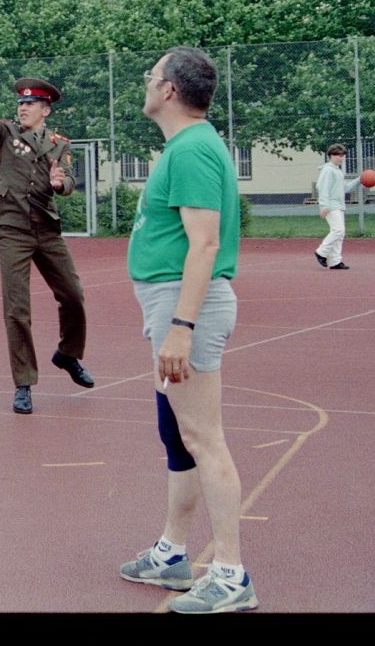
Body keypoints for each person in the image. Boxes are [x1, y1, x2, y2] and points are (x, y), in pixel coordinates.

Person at [119, 47, 259, 614]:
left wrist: (180, 326)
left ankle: (230, 574)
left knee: (203, 437)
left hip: (186, 307)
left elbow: (204, 243)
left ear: (171, 90)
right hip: (170, 303)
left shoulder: (195, 148)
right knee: (177, 436)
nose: (146, 86)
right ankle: (172, 554)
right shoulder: (187, 145)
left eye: (152, 77)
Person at [0, 44, 92, 414]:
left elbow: (68, 183)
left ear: (46, 109)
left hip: (46, 230)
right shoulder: (5, 135)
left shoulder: (58, 144)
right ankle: (24, 384)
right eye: (21, 103)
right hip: (14, 230)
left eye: (31, 104)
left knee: (74, 295)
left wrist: (58, 183)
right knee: (17, 309)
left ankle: (68, 354)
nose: (23, 107)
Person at [312, 144, 353, 270]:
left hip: (339, 205)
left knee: (340, 233)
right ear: (330, 156)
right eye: (337, 155)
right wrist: (324, 205)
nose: (340, 158)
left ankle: (335, 261)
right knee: (338, 230)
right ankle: (321, 252)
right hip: (331, 205)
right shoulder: (328, 170)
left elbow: (344, 188)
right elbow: (322, 187)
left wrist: (360, 180)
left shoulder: (337, 170)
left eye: (342, 155)